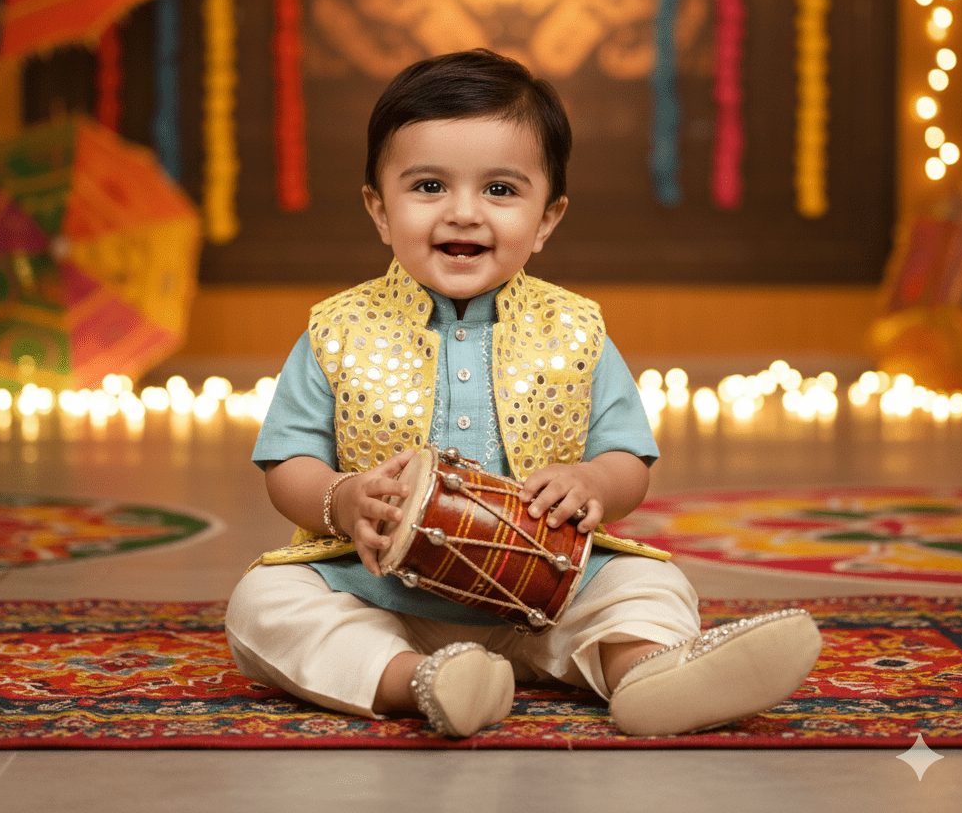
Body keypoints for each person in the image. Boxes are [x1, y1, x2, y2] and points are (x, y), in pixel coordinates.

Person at [225, 48, 821, 738]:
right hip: (385, 596)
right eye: (428, 187)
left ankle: (649, 672)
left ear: (546, 218)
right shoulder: (337, 330)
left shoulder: (577, 330)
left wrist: (592, 480)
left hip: (554, 591)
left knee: (648, 586)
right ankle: (421, 683)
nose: (464, 214)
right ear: (379, 210)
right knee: (264, 602)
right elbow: (288, 463)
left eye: (500, 191)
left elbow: (628, 457)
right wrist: (343, 500)